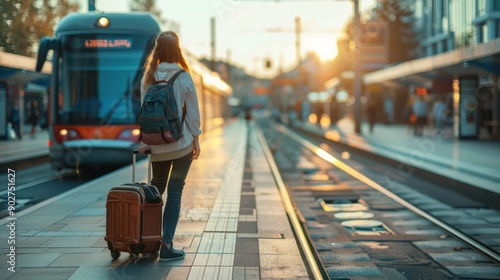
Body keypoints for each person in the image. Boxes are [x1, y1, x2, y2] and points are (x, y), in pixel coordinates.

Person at [139, 31, 201, 261]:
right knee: (175, 192)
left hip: (157, 145)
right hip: (181, 143)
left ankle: (149, 241)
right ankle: (167, 245)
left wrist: (146, 142)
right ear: (177, 50)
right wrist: (196, 139)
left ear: (157, 50)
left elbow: (143, 111)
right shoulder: (184, 76)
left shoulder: (148, 76)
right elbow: (193, 113)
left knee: (156, 189)